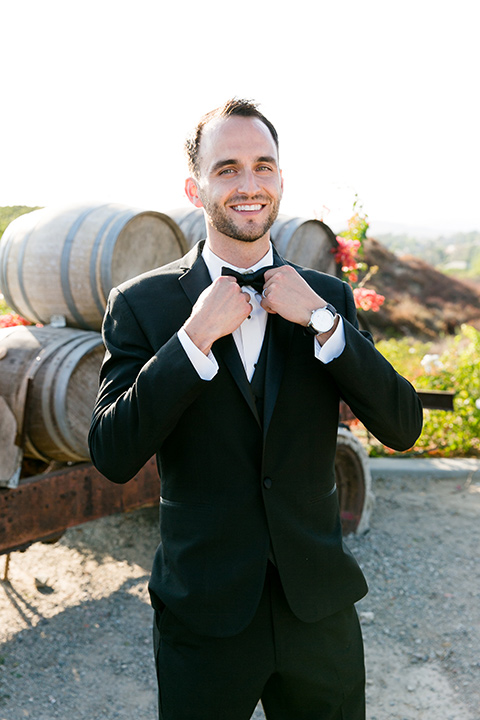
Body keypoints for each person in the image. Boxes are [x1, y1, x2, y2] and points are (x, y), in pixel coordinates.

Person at [88, 98, 423, 720]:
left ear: (280, 181)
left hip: (317, 612)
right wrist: (192, 340)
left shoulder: (327, 297)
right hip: (205, 614)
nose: (249, 184)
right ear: (196, 188)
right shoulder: (142, 304)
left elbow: (403, 426)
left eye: (263, 167)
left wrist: (324, 323)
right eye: (228, 169)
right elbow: (112, 453)